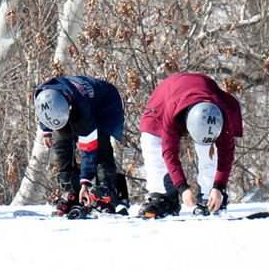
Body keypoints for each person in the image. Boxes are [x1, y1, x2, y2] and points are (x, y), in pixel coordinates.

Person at [138, 72, 243, 218]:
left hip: (203, 93)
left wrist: (218, 187)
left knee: (211, 153)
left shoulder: (222, 114)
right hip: (163, 102)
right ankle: (163, 196)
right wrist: (183, 188)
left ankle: (209, 197)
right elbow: (169, 153)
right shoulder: (171, 112)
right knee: (153, 146)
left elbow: (226, 153)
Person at [32, 76, 126, 216]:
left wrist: (85, 183)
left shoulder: (82, 109)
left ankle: (105, 194)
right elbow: (45, 112)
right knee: (61, 142)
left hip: (105, 103)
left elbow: (88, 149)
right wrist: (46, 130)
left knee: (100, 144)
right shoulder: (42, 93)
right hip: (72, 102)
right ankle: (70, 191)